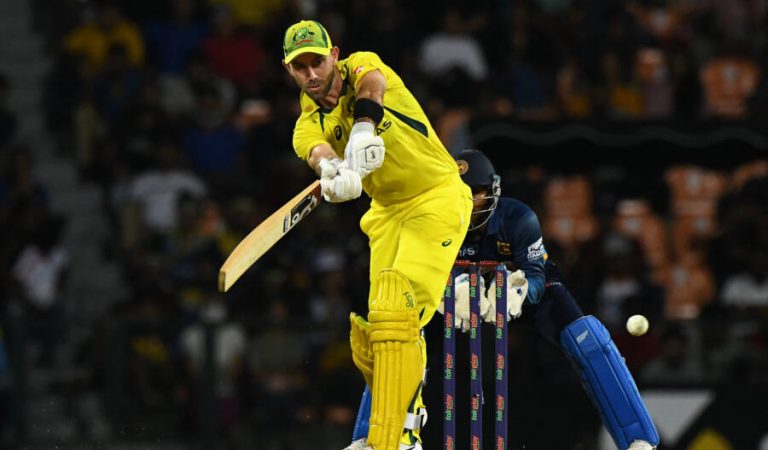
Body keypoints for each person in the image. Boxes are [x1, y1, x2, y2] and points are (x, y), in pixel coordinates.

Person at [348, 149, 661, 449]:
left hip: (511, 293)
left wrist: (522, 290)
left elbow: (536, 272)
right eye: (460, 192)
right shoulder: (430, 219)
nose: (469, 201)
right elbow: (415, 272)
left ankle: (638, 438)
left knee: (587, 337)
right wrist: (447, 290)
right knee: (395, 336)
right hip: (451, 298)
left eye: (477, 192)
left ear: (493, 191)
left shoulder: (517, 217)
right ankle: (371, 438)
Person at [282, 20, 473, 450]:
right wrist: (334, 174)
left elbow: (372, 88)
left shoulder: (361, 66)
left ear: (335, 53)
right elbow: (318, 152)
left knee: (396, 315)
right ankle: (391, 433)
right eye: (300, 67)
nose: (311, 74)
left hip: (435, 197)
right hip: (386, 215)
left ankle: (396, 438)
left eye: (317, 61)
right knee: (376, 333)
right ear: (289, 71)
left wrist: (365, 129)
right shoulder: (305, 125)